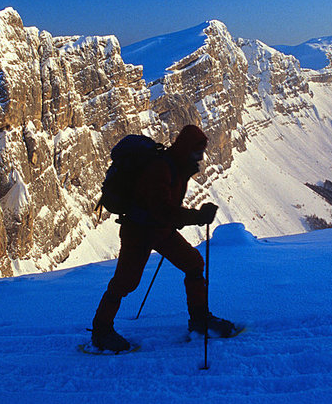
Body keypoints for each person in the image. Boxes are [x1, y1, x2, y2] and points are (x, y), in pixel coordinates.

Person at [91, 124, 235, 352]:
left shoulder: (179, 166)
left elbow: (165, 210)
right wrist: (198, 217)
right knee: (125, 283)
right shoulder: (162, 168)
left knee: (194, 263)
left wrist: (188, 217)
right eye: (198, 151)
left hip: (159, 230)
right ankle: (101, 331)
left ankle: (200, 321)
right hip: (139, 232)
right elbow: (162, 210)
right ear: (186, 148)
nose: (201, 156)